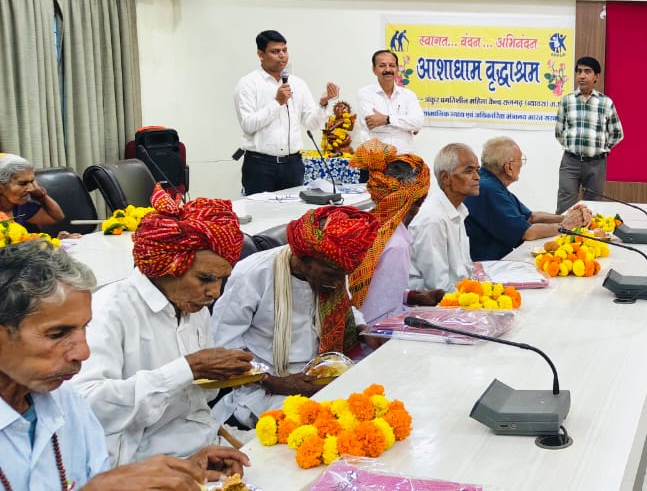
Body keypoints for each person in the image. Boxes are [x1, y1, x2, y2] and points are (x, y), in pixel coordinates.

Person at [0, 241, 250, 491]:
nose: (83, 352)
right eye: (57, 334)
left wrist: (184, 466)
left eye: (85, 328)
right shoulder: (111, 308)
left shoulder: (64, 400)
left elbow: (87, 477)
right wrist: (186, 369)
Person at [72, 186, 254, 467]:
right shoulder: (108, 310)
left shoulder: (195, 308)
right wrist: (187, 368)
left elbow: (201, 397)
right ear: (167, 265)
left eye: (221, 280)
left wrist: (221, 372)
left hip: (204, 441)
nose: (215, 293)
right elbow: (87, 405)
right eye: (205, 279)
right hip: (139, 463)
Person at [210, 206, 379, 428]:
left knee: (374, 406)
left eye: (343, 276)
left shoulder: (333, 271)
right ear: (304, 258)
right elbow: (222, 347)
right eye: (332, 275)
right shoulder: (252, 274)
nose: (338, 283)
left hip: (321, 376)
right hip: (264, 389)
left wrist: (363, 330)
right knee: (322, 427)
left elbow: (346, 308)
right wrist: (274, 382)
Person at [233, 30, 339, 195]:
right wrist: (277, 103)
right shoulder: (248, 84)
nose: (282, 55)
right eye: (275, 51)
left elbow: (311, 124)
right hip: (260, 165)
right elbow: (248, 125)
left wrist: (323, 103)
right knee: (260, 210)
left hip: (292, 165)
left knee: (293, 210)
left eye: (284, 50)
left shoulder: (298, 84)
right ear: (260, 54)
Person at [347, 141, 440, 323]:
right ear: (420, 200)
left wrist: (410, 296)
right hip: (372, 334)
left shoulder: (364, 223)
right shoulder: (396, 243)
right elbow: (382, 314)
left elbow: (376, 289)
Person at [465, 137, 591, 261]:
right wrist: (565, 226)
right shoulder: (487, 189)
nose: (521, 164)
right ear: (509, 167)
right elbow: (527, 232)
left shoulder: (491, 183)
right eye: (520, 160)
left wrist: (568, 218)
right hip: (488, 265)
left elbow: (531, 217)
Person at [555, 56, 624, 214]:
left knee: (593, 207)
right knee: (564, 205)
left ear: (596, 76)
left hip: (596, 164)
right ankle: (562, 230)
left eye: (587, 72)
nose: (582, 76)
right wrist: (572, 146)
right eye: (579, 71)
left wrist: (603, 149)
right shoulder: (567, 101)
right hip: (570, 162)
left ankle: (587, 232)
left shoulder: (605, 103)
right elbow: (559, 132)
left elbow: (617, 133)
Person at [410, 143, 480, 291]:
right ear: (445, 177)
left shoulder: (459, 210)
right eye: (469, 171)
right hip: (435, 301)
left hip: (457, 292)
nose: (477, 177)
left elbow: (463, 271)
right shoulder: (433, 219)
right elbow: (437, 287)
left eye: (477, 170)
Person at [355, 50, 425, 155]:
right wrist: (406, 125)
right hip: (375, 157)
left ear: (397, 69)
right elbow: (370, 124)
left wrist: (387, 119)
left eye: (392, 65)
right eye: (382, 65)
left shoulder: (408, 95)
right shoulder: (365, 93)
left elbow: (418, 122)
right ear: (374, 70)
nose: (388, 69)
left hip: (404, 157)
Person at [0, 154, 65, 233]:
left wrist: (42, 197)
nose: (31, 189)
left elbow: (55, 218)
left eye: (32, 182)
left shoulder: (20, 206)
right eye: (23, 183)